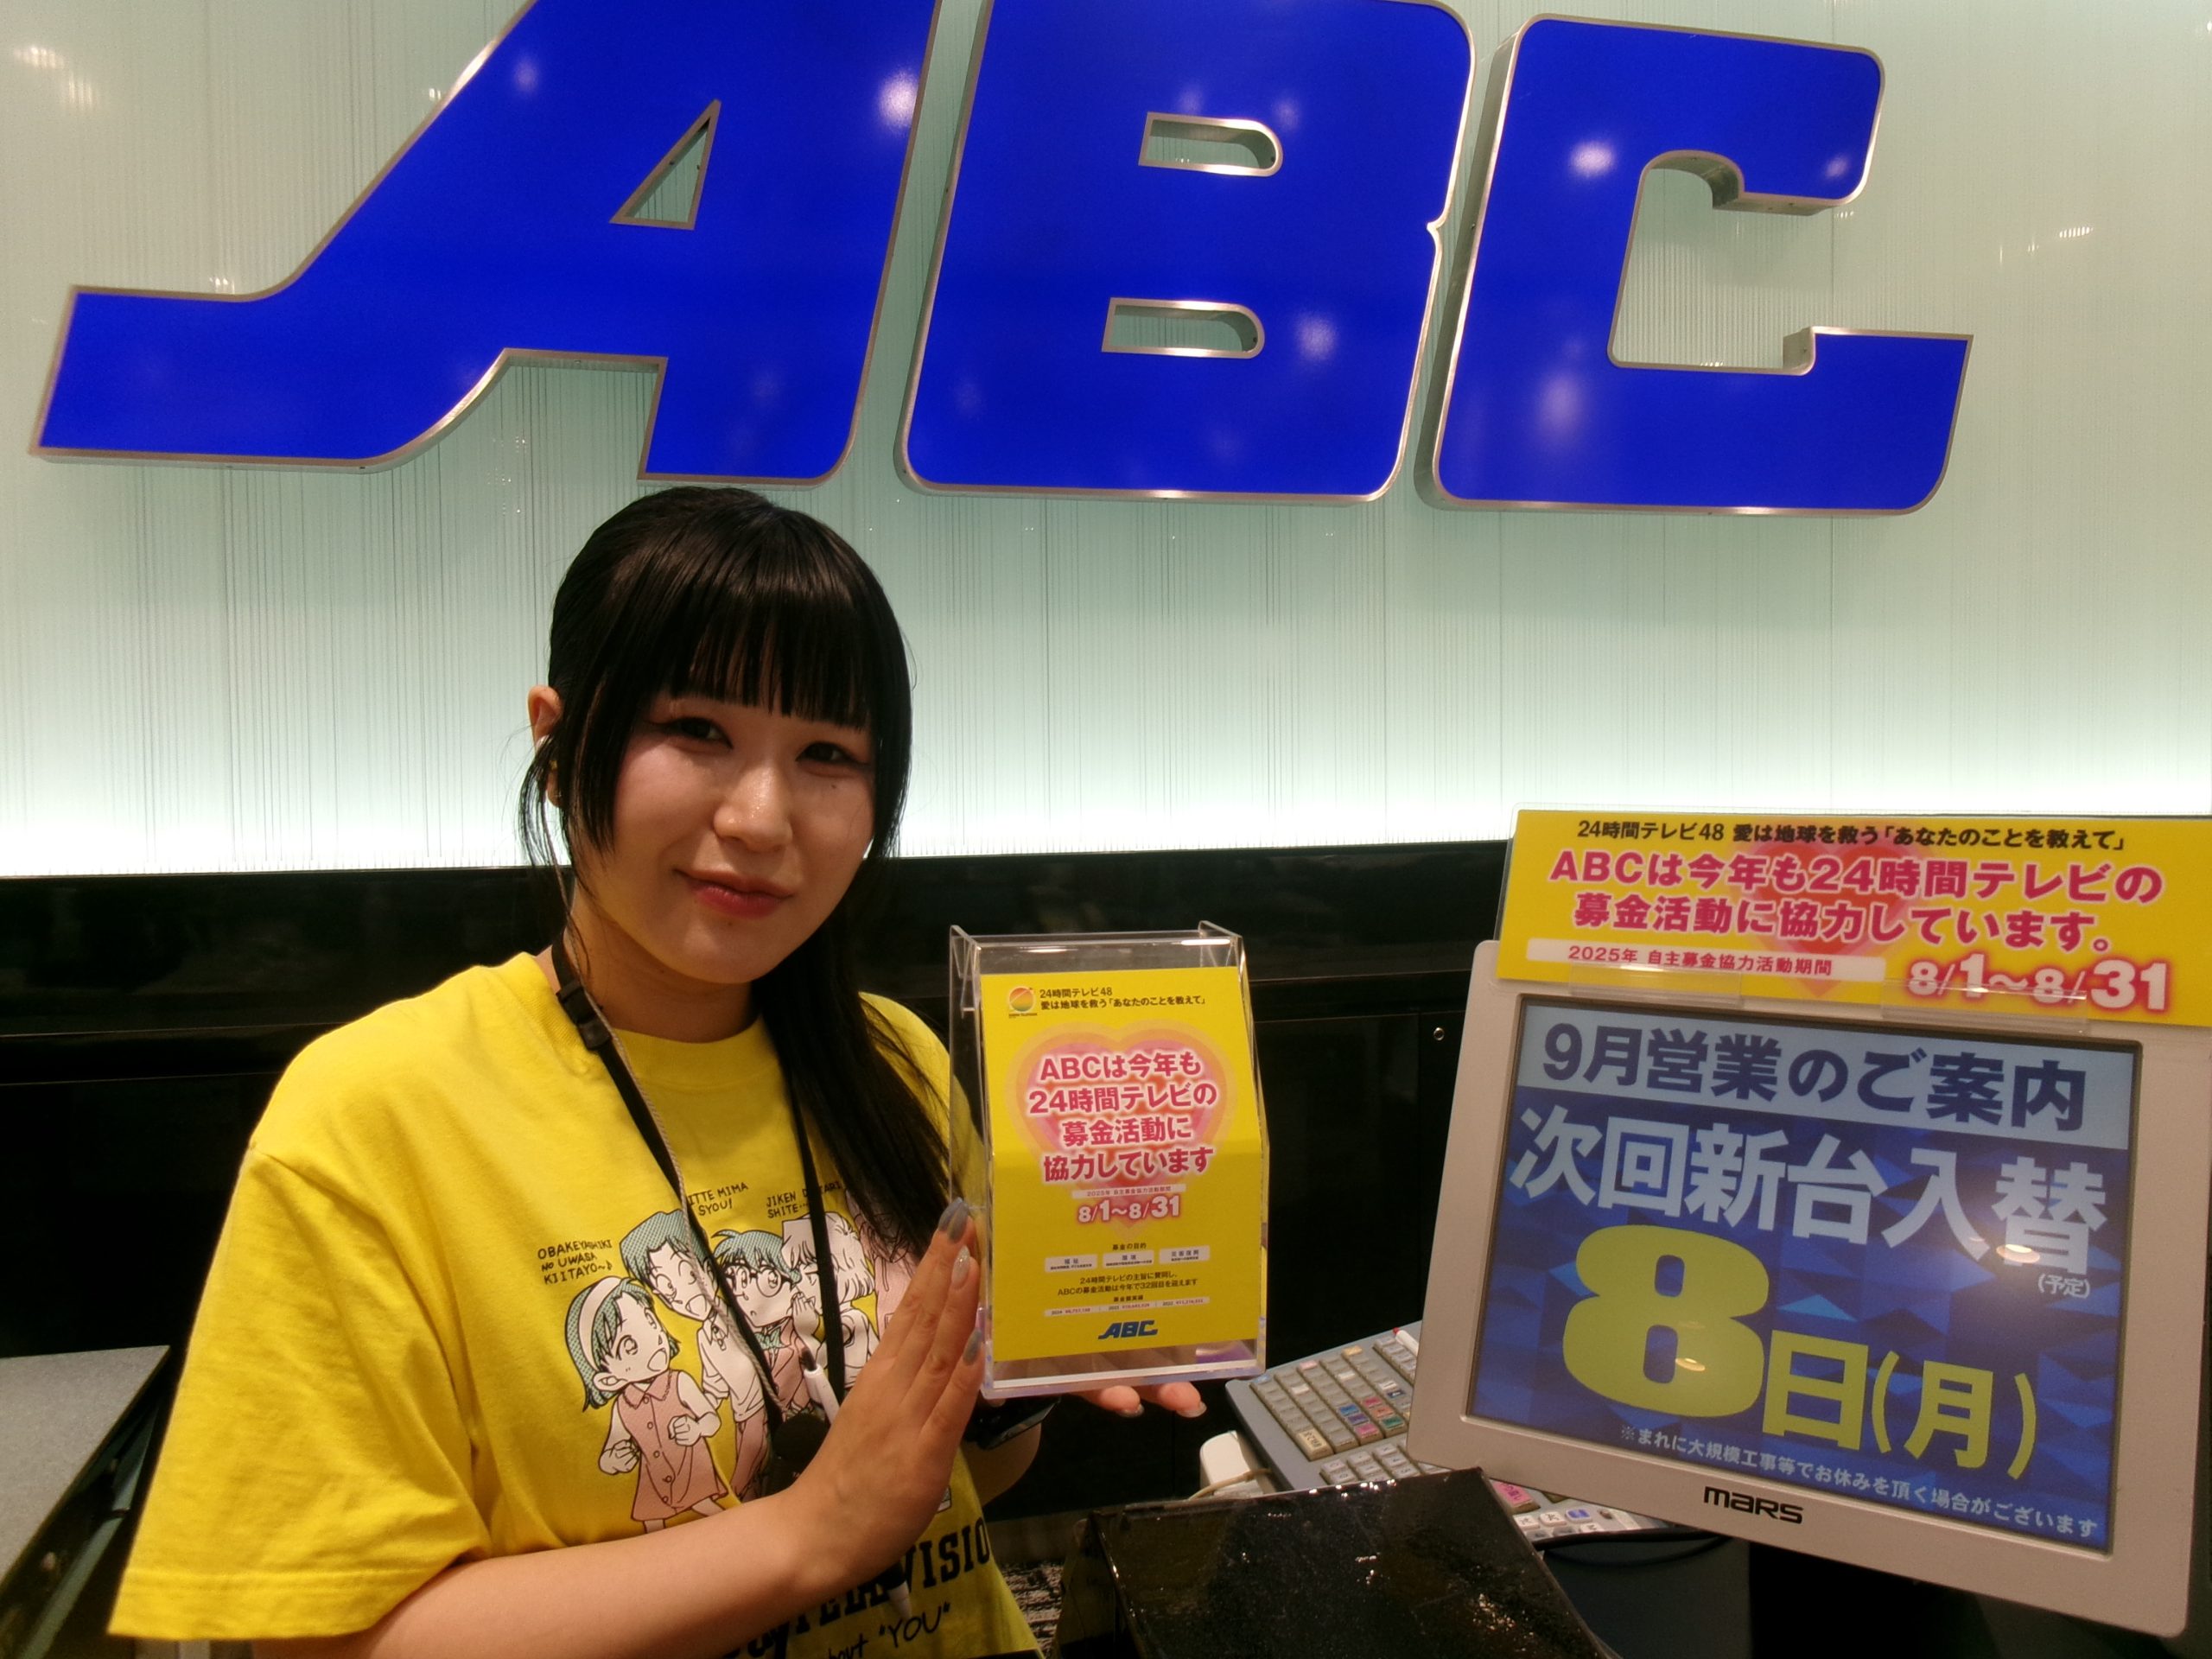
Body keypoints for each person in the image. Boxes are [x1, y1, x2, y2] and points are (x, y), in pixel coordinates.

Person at [111, 487, 1197, 1659]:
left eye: (827, 754)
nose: (763, 817)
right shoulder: (371, 1119)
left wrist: (1015, 1380)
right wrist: (810, 1534)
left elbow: (971, 1486)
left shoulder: (898, 1062)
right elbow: (329, 1640)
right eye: (697, 730)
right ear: (560, 743)